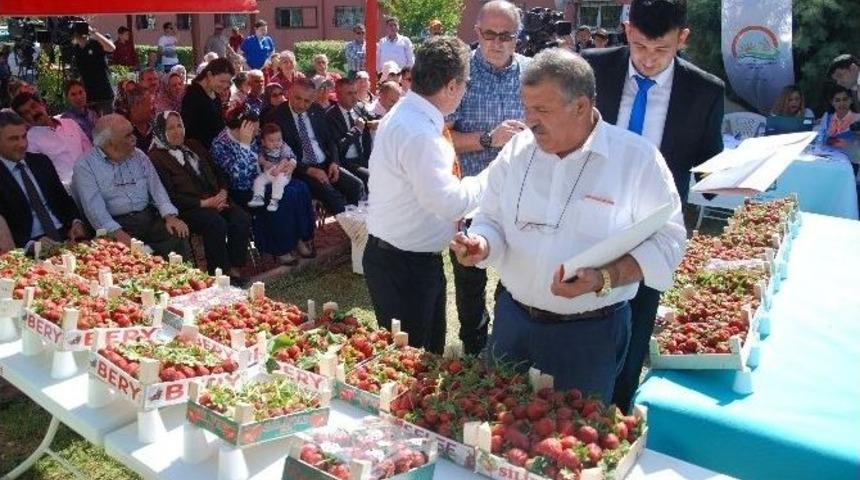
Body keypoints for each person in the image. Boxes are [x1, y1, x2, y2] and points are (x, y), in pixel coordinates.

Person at [451, 48, 685, 400]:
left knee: (573, 432)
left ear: (580, 106)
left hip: (588, 336)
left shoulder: (636, 160)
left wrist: (605, 277)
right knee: (496, 421)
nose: (530, 121)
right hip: (513, 323)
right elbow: (491, 217)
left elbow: (669, 242)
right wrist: (481, 244)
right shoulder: (517, 152)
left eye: (542, 110)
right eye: (526, 108)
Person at [581, 0, 724, 413]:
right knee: (577, 316)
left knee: (636, 323)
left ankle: (617, 411)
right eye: (640, 46)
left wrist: (729, 182)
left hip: (651, 230)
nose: (648, 60)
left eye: (662, 50)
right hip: (586, 216)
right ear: (627, 31)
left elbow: (709, 168)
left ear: (682, 38)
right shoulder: (591, 68)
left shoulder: (705, 91)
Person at [364, 36, 486, 354]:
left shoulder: (411, 115)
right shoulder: (419, 131)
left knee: (425, 355)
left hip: (406, 260)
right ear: (451, 86)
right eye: (466, 84)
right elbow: (449, 203)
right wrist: (494, 176)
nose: (466, 90)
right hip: (404, 266)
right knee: (415, 363)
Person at [447, 0, 530, 355]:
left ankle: (506, 343)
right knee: (469, 277)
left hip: (522, 196)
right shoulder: (458, 75)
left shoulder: (533, 74)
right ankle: (474, 345)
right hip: (471, 196)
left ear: (518, 36)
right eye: (489, 34)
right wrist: (488, 139)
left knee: (516, 277)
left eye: (506, 35)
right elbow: (441, 138)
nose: (497, 42)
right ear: (477, 32)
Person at [148, 111, 251, 278]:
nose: (177, 131)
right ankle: (220, 273)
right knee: (215, 223)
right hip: (188, 208)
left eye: (179, 126)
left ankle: (235, 268)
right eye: (171, 128)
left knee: (241, 218)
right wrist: (205, 203)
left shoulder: (193, 145)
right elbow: (170, 195)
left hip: (215, 199)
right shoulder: (156, 158)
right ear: (161, 131)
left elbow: (218, 171)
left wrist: (223, 192)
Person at [72, 114, 191, 259]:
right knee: (126, 256)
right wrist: (118, 234)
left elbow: (157, 190)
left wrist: (170, 216)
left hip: (147, 218)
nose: (134, 138)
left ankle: (181, 273)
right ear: (110, 143)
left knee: (176, 233)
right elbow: (95, 211)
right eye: (128, 136)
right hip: (116, 224)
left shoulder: (138, 155)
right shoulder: (85, 166)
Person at [210, 105, 315, 264]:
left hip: (264, 177)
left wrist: (291, 163)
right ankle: (281, 248)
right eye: (255, 129)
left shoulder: (255, 134)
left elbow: (279, 144)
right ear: (242, 128)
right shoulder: (220, 145)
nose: (258, 132)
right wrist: (244, 145)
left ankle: (299, 237)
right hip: (240, 190)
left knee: (300, 188)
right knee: (283, 196)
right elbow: (239, 178)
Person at [269, 78, 365, 214]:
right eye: (298, 98)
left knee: (356, 185)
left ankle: (355, 222)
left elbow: (330, 140)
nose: (301, 105)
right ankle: (348, 221)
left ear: (313, 98)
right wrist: (309, 170)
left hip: (325, 163)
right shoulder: (276, 116)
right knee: (333, 197)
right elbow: (277, 154)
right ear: (289, 92)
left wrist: (334, 162)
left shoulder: (317, 110)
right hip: (299, 168)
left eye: (307, 101)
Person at [0, 110, 88, 250]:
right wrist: (30, 245)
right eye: (13, 139)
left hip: (66, 236)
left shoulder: (41, 161)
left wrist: (76, 222)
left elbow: (64, 199)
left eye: (24, 136)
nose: (22, 144)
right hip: (28, 246)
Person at [12, 92, 92, 186]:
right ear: (24, 119)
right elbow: (42, 174)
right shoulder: (29, 141)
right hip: (68, 188)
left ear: (42, 104)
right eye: (26, 113)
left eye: (34, 106)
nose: (33, 113)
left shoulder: (70, 123)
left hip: (93, 178)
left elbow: (89, 151)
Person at [326, 78, 371, 189]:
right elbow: (338, 147)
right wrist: (357, 130)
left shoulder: (359, 107)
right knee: (370, 177)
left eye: (355, 93)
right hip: (345, 162)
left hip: (364, 158)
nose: (354, 97)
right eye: (349, 94)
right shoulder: (330, 116)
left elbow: (374, 118)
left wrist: (375, 122)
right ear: (338, 95)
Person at [182, 58, 235, 148]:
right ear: (209, 75)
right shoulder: (192, 96)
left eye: (228, 82)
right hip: (201, 149)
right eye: (222, 81)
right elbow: (190, 131)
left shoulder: (215, 93)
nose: (225, 86)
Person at [249, 123, 298, 211]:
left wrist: (278, 169)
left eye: (279, 140)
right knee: (259, 180)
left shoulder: (283, 147)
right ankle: (258, 197)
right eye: (271, 141)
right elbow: (260, 158)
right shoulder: (262, 148)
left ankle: (274, 201)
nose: (276, 143)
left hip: (283, 172)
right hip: (270, 171)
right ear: (263, 142)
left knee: (278, 183)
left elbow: (285, 160)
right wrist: (264, 163)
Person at [71, 24, 116, 114]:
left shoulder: (95, 44)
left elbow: (111, 48)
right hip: (88, 95)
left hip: (104, 92)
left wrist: (94, 33)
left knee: (107, 121)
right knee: (91, 121)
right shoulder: (76, 49)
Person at [124, 85, 156, 151]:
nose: (154, 107)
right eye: (151, 104)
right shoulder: (123, 131)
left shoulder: (156, 128)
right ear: (137, 104)